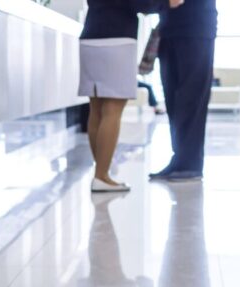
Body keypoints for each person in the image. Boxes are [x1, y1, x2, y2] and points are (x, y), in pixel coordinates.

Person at [79, 0, 184, 193]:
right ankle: (101, 176)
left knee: (96, 110)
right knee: (112, 110)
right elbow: (140, 3)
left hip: (90, 36)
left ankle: (101, 173)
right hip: (117, 39)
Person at [149, 0, 218, 181]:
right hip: (169, 30)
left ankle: (190, 164)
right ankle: (179, 160)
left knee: (191, 97)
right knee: (173, 99)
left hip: (197, 30)